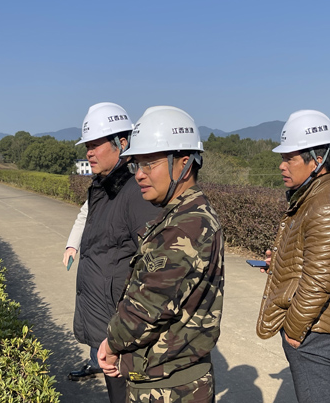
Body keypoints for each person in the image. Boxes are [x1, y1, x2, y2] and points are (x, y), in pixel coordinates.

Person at [97, 106, 224, 402]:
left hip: (169, 389)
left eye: (149, 164)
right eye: (136, 165)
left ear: (184, 164)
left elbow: (145, 308)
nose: (139, 175)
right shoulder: (183, 215)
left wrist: (111, 345)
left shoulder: (186, 226)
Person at [256, 110, 330, 403]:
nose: (282, 165)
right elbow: (312, 260)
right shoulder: (315, 197)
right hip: (316, 327)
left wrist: (294, 330)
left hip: (314, 332)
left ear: (317, 160)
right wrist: (279, 263)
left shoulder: (324, 206)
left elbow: (319, 281)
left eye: (290, 158)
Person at [70, 102, 160, 402]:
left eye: (96, 145)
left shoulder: (135, 193)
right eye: (87, 146)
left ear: (122, 143)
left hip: (123, 330)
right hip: (106, 324)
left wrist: (125, 328)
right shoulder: (102, 189)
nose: (89, 152)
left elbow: (154, 269)